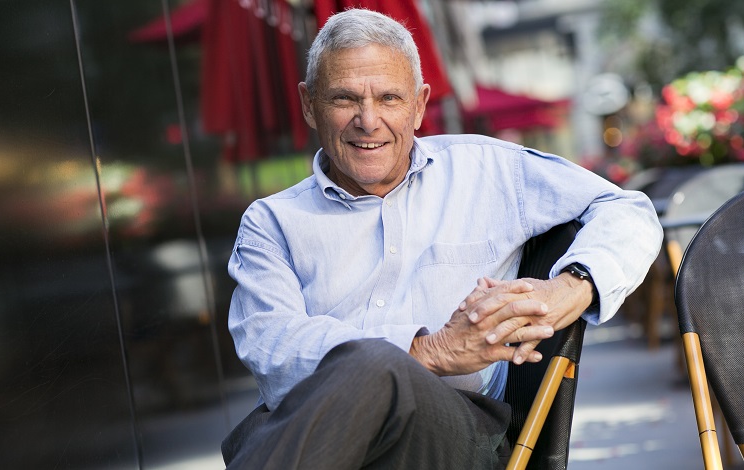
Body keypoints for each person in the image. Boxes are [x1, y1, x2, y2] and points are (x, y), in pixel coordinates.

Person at [222, 8, 663, 469]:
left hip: (456, 433)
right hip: (324, 432)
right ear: (309, 104)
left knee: (331, 391)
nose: (368, 120)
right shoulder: (271, 223)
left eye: (390, 98)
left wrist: (570, 287)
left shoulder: (488, 172)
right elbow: (273, 349)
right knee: (288, 415)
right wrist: (431, 351)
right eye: (344, 99)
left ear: (418, 104)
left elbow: (628, 209)